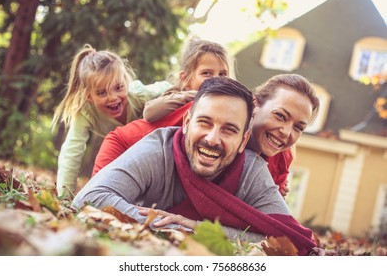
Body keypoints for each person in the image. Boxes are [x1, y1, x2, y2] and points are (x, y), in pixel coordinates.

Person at [73, 77, 319, 256]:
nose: (213, 138)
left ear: (244, 139)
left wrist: (195, 228)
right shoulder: (158, 147)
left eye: (229, 129)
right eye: (205, 122)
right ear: (187, 122)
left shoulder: (256, 168)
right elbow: (90, 196)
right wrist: (172, 227)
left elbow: (287, 240)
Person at [92, 74, 319, 198]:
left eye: (298, 127)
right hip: (126, 154)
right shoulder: (212, 114)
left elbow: (269, 205)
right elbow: (127, 137)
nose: (287, 133)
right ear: (255, 105)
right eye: (280, 116)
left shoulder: (281, 159)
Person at [51, 44, 170, 198]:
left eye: (118, 87)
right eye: (102, 93)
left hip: (150, 139)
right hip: (124, 146)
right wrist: (64, 196)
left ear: (126, 83)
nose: (113, 97)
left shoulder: (138, 94)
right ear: (89, 96)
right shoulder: (85, 112)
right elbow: (72, 151)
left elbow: (164, 87)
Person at [142, 36, 233, 122]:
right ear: (185, 78)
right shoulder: (178, 96)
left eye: (222, 74)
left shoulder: (232, 100)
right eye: (207, 73)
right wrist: (196, 95)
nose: (217, 80)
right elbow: (149, 113)